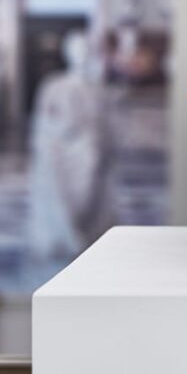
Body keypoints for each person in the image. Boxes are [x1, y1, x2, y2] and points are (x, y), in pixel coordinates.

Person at [26, 29, 109, 259]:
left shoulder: (96, 89)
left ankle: (84, 234)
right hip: (63, 152)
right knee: (64, 198)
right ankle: (67, 236)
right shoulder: (54, 86)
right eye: (76, 50)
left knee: (88, 196)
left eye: (85, 49)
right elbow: (44, 123)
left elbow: (103, 124)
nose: (81, 55)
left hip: (89, 152)